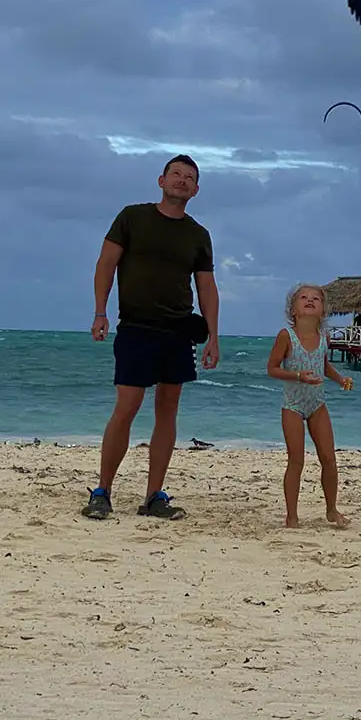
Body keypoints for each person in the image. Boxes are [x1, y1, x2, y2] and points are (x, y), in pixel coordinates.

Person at [82, 154, 220, 521]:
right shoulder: (132, 217)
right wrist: (100, 311)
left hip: (178, 331)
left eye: (189, 177)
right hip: (136, 327)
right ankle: (103, 491)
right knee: (126, 408)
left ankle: (153, 496)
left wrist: (214, 337)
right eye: (175, 174)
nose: (182, 181)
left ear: (196, 189)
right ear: (161, 181)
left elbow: (206, 287)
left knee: (168, 411)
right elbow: (105, 264)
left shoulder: (198, 235)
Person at [266, 283, 353, 529]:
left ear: (323, 310)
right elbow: (272, 369)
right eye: (303, 297)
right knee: (296, 460)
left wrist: (340, 379)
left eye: (316, 298)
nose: (310, 300)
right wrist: (297, 376)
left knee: (329, 458)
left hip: (317, 404)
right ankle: (292, 516)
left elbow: (323, 366)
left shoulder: (323, 337)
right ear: (293, 309)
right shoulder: (286, 336)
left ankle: (331, 510)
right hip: (292, 405)